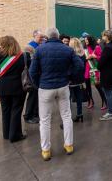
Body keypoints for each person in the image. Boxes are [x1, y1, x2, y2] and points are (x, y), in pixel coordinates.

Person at [29, 28, 84, 161]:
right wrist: (70, 77)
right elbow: (80, 66)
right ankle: (69, 145)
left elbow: (32, 71)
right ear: (58, 37)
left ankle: (46, 150)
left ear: (47, 37)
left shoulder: (40, 50)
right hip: (63, 86)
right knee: (66, 116)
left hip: (45, 87)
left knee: (45, 120)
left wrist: (38, 84)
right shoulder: (67, 49)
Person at [0, 36, 29, 143]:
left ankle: (7, 134)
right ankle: (15, 135)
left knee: (5, 111)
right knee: (16, 111)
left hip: (3, 88)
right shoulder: (23, 56)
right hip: (18, 88)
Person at [98, 30, 112, 121]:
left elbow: (102, 61)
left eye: (103, 36)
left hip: (107, 73)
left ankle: (110, 113)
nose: (102, 37)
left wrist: (98, 66)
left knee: (108, 93)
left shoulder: (107, 48)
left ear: (107, 37)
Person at [24, 30, 44, 124]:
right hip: (32, 76)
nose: (42, 38)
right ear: (35, 36)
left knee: (37, 96)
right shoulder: (29, 47)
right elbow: (30, 63)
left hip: (39, 75)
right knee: (32, 96)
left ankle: (35, 114)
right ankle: (28, 116)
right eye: (40, 37)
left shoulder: (40, 45)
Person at [82, 34, 107, 110]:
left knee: (98, 87)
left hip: (94, 69)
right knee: (87, 87)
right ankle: (91, 101)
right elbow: (83, 59)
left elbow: (101, 58)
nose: (85, 41)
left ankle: (104, 101)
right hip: (86, 70)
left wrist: (94, 56)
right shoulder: (85, 48)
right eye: (85, 40)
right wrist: (86, 58)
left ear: (90, 40)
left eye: (87, 40)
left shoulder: (97, 47)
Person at [68, 38, 86, 123]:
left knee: (68, 98)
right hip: (80, 78)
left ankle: (68, 117)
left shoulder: (73, 54)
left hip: (72, 79)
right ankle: (80, 114)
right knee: (79, 96)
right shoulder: (83, 53)